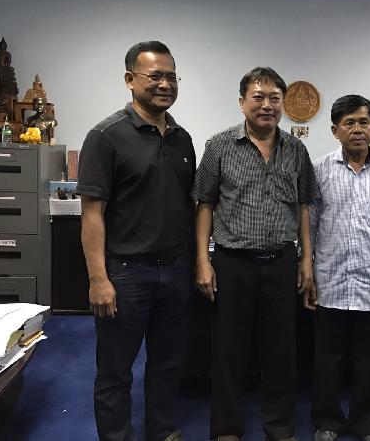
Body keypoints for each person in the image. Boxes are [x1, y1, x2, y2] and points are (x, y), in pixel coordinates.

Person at [76, 41, 195, 441]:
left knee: (167, 365)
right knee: (115, 371)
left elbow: (187, 206)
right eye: (154, 76)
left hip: (175, 272)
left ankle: (162, 430)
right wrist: (98, 279)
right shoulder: (106, 136)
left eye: (171, 77)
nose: (165, 84)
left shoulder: (181, 138)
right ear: (130, 80)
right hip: (126, 275)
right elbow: (92, 214)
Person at [193, 67, 319, 441]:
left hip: (281, 262)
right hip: (232, 263)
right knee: (228, 350)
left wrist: (306, 259)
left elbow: (303, 206)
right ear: (242, 102)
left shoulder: (296, 149)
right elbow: (204, 204)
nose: (267, 105)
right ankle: (227, 429)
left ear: (282, 103)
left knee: (281, 351)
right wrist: (202, 260)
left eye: (274, 98)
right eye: (258, 97)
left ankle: (279, 427)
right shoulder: (219, 146)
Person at [305, 95, 370, 441]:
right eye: (349, 123)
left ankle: (366, 422)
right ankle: (327, 422)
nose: (357, 129)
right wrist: (308, 274)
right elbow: (309, 227)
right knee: (327, 361)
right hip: (330, 281)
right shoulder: (318, 170)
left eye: (364, 122)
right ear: (335, 130)